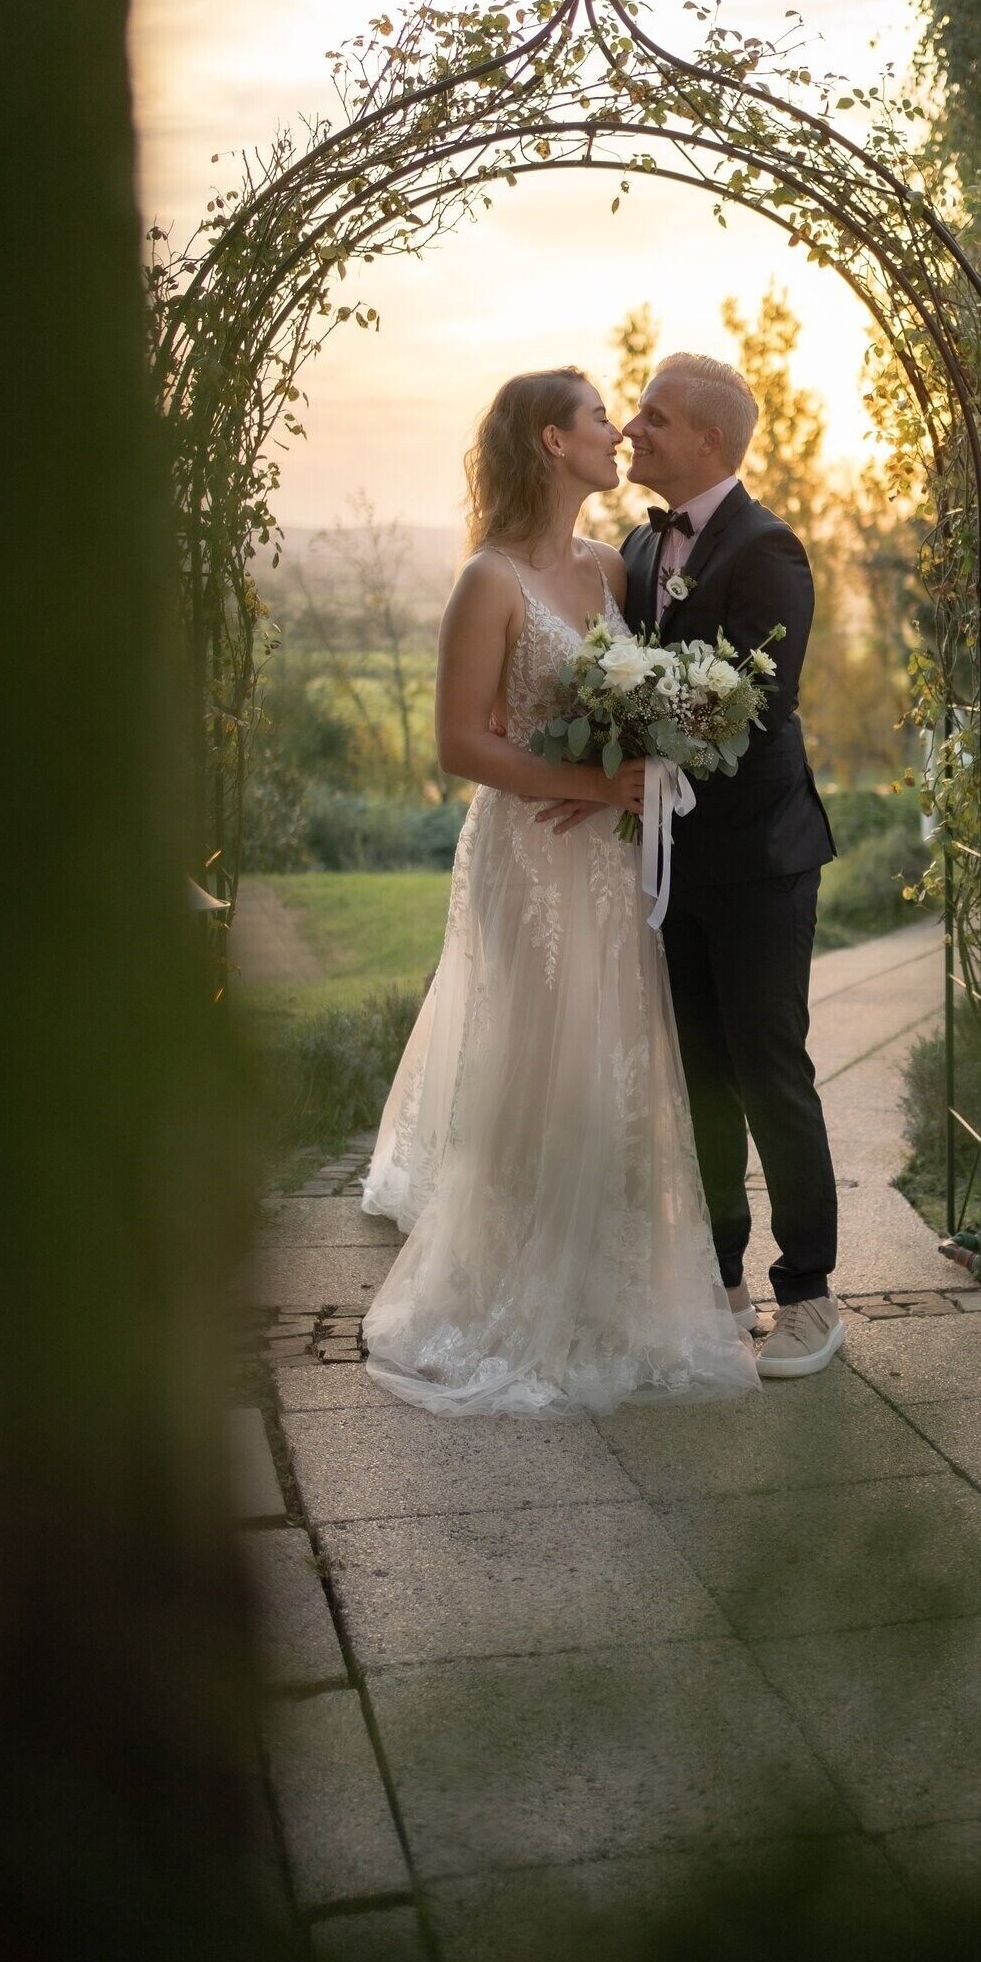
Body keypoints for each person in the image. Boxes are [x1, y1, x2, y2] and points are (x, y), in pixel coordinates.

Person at [359, 367, 758, 1416]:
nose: (617, 433)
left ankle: (609, 1287)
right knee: (545, 1063)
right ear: (550, 440)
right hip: (531, 852)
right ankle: (515, 1285)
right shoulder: (487, 581)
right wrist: (590, 784)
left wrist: (648, 754)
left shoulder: (611, 570)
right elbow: (460, 744)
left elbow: (636, 704)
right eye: (599, 418)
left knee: (615, 1064)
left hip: (610, 860)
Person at [617, 353, 843, 1376]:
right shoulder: (636, 543)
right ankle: (721, 1280)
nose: (633, 430)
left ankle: (810, 1298)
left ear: (708, 440)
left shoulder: (768, 549)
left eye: (653, 418)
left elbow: (754, 708)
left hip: (760, 859)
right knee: (700, 1078)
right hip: (670, 861)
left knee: (769, 1072)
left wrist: (627, 706)